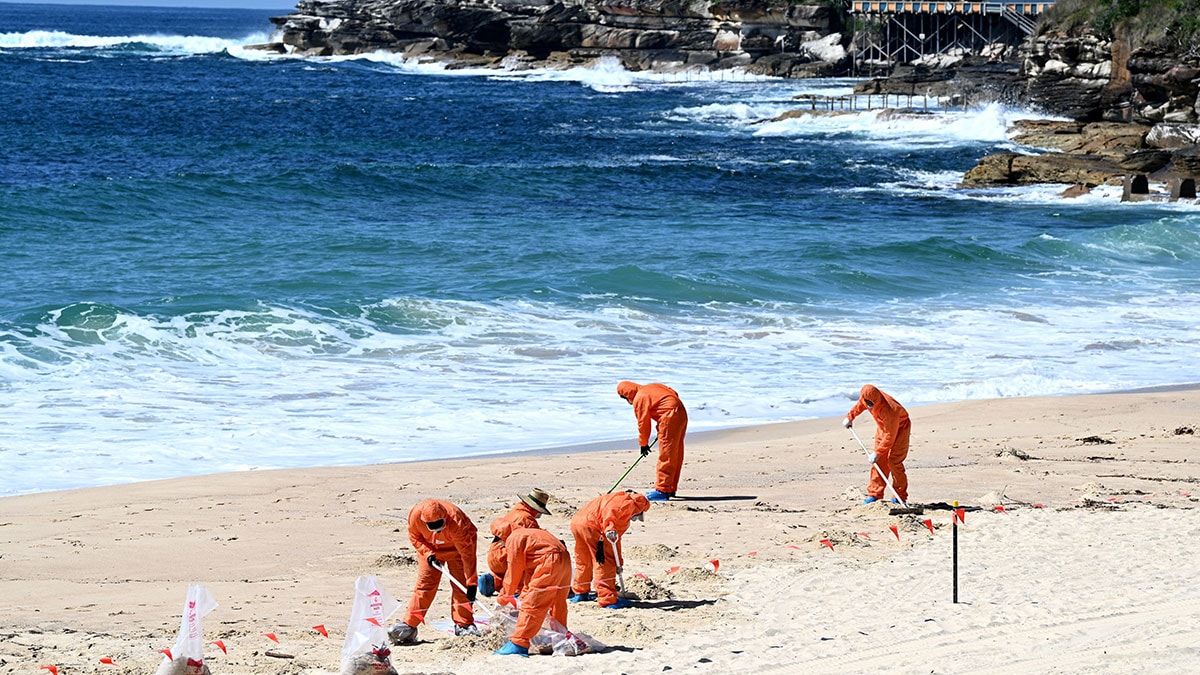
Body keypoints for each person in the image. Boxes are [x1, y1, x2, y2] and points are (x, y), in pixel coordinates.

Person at [387, 499, 480, 645]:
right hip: (430, 550)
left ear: (445, 518)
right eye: (433, 527)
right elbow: (414, 536)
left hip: (458, 549)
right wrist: (428, 553)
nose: (437, 531)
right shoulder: (415, 516)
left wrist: (472, 582)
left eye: (440, 526)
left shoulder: (456, 520)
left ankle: (464, 624)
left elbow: (467, 554)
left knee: (461, 586)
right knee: (424, 586)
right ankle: (409, 625)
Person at [493, 527, 573, 657]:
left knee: (534, 603)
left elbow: (513, 572)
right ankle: (559, 636)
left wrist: (504, 597)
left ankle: (519, 643)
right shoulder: (529, 533)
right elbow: (531, 575)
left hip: (549, 561)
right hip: (564, 558)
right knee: (558, 602)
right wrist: (523, 596)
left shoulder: (514, 539)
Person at [569, 490, 651, 609]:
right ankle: (607, 599)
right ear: (638, 510)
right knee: (604, 562)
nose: (634, 519)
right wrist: (609, 529)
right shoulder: (628, 504)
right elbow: (611, 517)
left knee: (583, 558)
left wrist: (619, 562)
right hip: (594, 527)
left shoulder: (616, 497)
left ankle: (581, 592)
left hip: (577, 523)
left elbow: (615, 541)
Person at [616, 380, 688, 501]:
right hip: (681, 412)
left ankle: (662, 490)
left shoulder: (640, 398)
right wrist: (662, 424)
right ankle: (670, 488)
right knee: (676, 452)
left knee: (667, 454)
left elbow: (643, 423)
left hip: (670, 416)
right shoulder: (652, 386)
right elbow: (673, 393)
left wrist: (643, 444)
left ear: (627, 395)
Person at [843, 384, 911, 505]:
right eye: (867, 402)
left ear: (877, 399)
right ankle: (875, 494)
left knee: (894, 462)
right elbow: (859, 406)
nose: (869, 405)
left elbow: (890, 436)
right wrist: (850, 417)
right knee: (878, 462)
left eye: (871, 403)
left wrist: (877, 452)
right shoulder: (866, 399)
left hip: (900, 429)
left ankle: (899, 496)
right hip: (883, 428)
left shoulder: (890, 410)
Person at [479, 489, 552, 597]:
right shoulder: (527, 520)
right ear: (535, 509)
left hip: (494, 554)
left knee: (502, 575)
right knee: (524, 570)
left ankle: (491, 582)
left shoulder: (515, 511)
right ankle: (517, 591)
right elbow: (535, 540)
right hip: (507, 558)